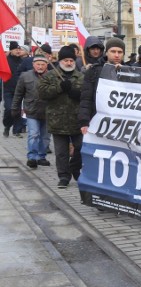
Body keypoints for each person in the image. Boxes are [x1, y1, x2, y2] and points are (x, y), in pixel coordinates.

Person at [37, 46, 84, 187]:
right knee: (61, 152)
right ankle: (64, 176)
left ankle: (75, 169)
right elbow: (42, 93)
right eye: (66, 60)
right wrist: (59, 87)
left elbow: (87, 95)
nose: (69, 63)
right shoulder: (50, 75)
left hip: (77, 120)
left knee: (80, 147)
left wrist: (76, 93)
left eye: (71, 60)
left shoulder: (81, 76)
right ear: (60, 61)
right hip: (57, 120)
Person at [79, 37, 125, 135]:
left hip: (122, 123)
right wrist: (84, 122)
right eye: (113, 51)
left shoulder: (130, 71)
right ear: (106, 53)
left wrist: (123, 73)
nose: (117, 55)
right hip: (97, 120)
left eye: (120, 52)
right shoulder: (94, 71)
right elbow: (86, 98)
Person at [12, 51, 50, 168]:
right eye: (38, 64)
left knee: (45, 136)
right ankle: (32, 157)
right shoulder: (25, 76)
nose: (40, 66)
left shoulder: (52, 76)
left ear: (46, 65)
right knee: (33, 134)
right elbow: (18, 94)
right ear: (33, 64)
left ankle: (41, 156)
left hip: (48, 112)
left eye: (42, 64)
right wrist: (15, 108)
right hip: (31, 110)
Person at [3, 41, 27, 137]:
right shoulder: (6, 60)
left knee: (17, 110)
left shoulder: (22, 61)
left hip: (20, 90)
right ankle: (7, 126)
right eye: (15, 49)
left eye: (19, 49)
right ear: (11, 50)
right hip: (8, 89)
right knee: (9, 109)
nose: (17, 51)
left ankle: (16, 130)